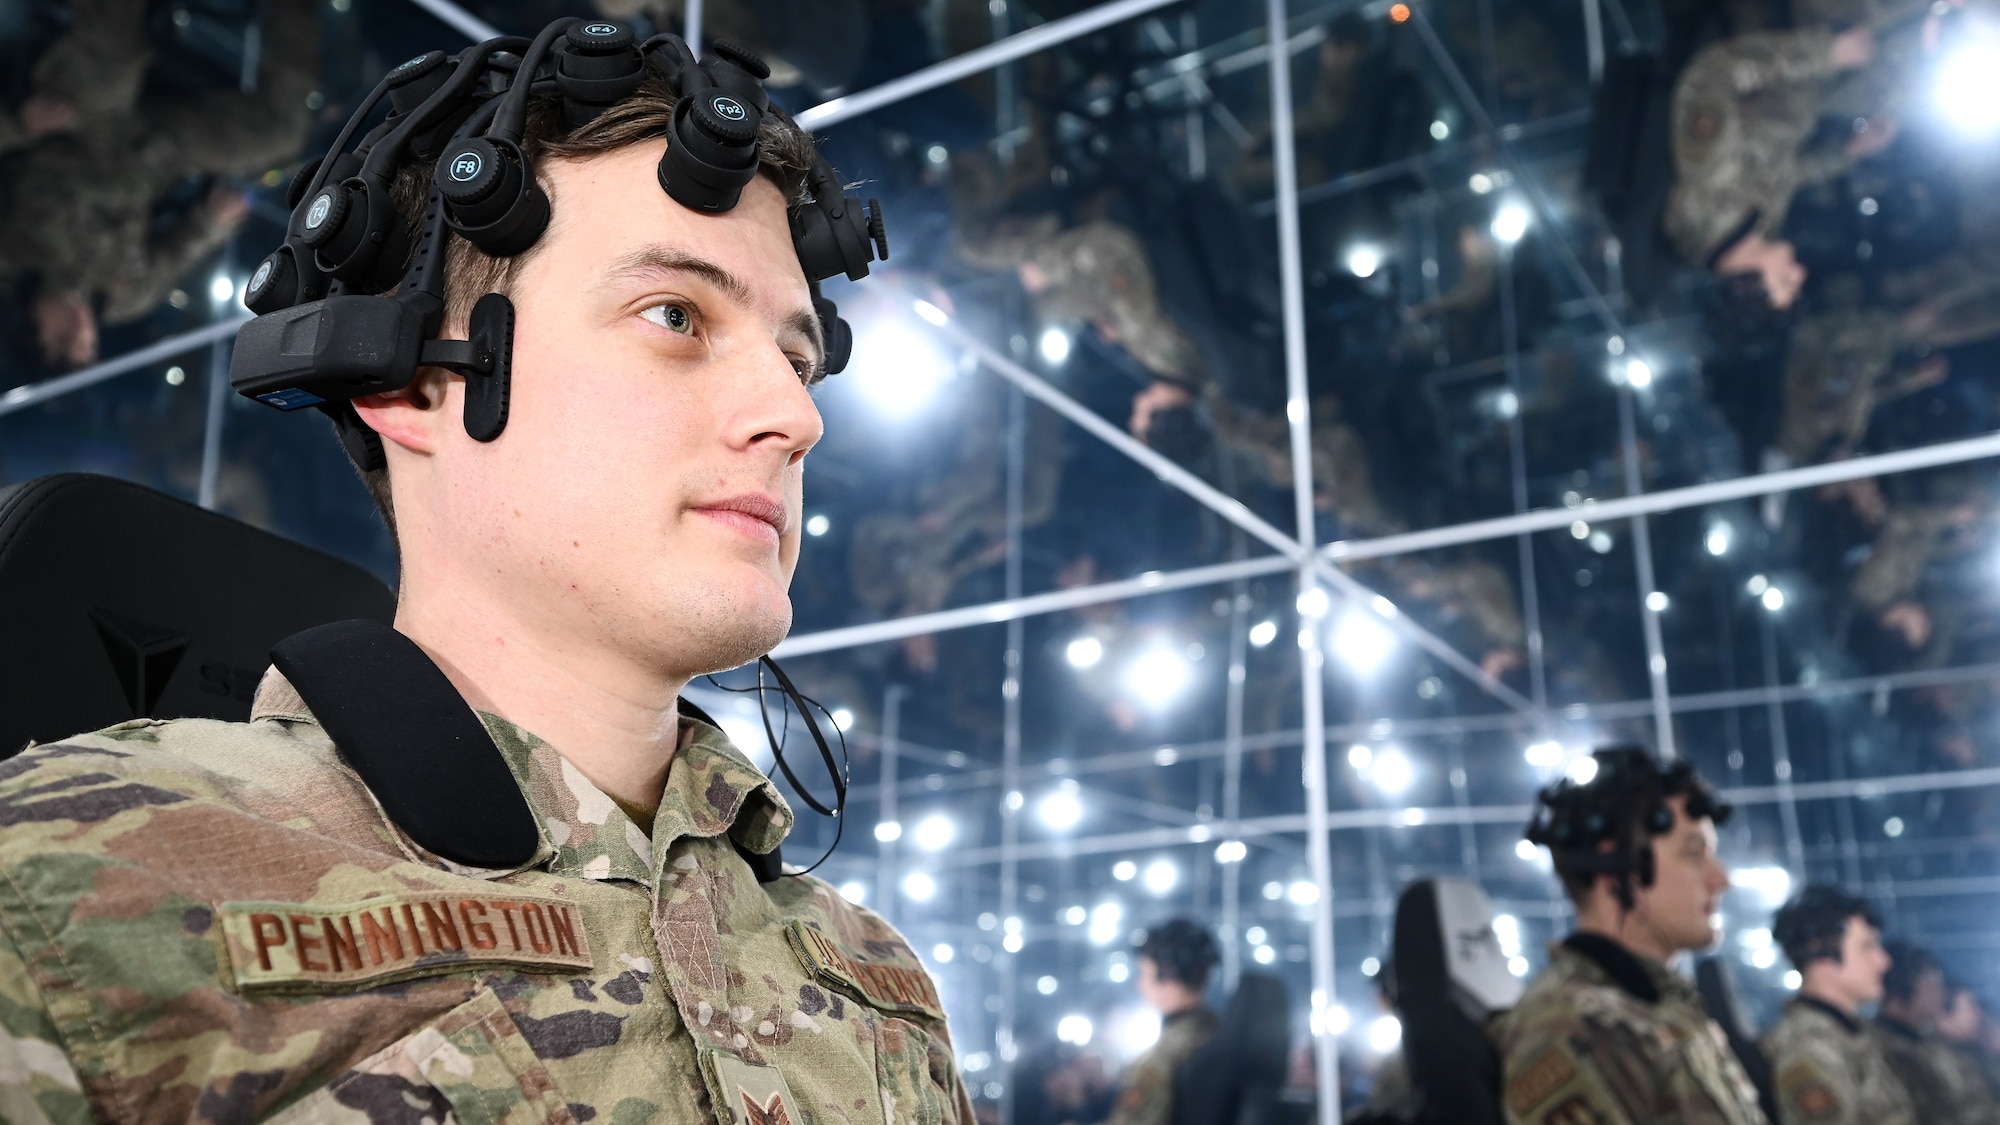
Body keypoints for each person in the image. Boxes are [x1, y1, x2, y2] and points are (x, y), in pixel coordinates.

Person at [0, 30, 974, 1125]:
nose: (796, 416)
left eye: (797, 360)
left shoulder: (874, 987)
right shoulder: (69, 902)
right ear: (414, 383)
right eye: (676, 316)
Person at [1492, 746, 1765, 1125]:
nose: (1721, 879)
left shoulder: (1658, 1008)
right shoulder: (1571, 1028)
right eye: (1693, 853)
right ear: (1615, 867)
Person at [1762, 886, 1915, 1125]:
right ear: (1819, 949)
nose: (1883, 961)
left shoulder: (1850, 1033)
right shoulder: (1809, 1047)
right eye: (1867, 946)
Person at [1102, 919, 1221, 1125]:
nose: (1140, 984)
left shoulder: (1158, 1063)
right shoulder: (1222, 1037)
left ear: (1168, 977)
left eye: (1144, 974)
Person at [1873, 944, 2000, 1124]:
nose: (1939, 990)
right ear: (1905, 982)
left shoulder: (1923, 1047)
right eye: (1931, 980)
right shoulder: (1880, 1047)